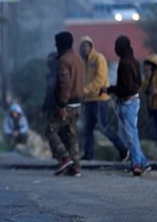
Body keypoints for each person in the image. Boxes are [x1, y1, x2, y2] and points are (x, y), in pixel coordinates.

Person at [100, 36, 149, 176]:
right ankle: (143, 161)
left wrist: (109, 90)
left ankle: (136, 164)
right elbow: (137, 83)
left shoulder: (125, 63)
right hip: (133, 101)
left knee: (130, 135)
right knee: (129, 134)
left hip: (127, 103)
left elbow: (125, 88)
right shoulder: (133, 61)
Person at [79, 36, 129, 161]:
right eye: (83, 46)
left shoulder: (98, 58)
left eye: (87, 45)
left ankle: (123, 149)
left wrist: (86, 89)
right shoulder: (83, 62)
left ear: (91, 46)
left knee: (104, 126)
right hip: (88, 100)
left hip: (100, 98)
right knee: (87, 128)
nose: (85, 48)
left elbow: (100, 79)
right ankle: (88, 154)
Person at [45, 31, 85, 177]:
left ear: (61, 44)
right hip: (78, 103)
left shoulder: (64, 61)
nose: (55, 46)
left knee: (50, 130)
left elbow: (65, 84)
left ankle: (64, 158)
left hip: (67, 103)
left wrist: (62, 105)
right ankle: (76, 166)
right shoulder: (78, 59)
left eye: (57, 43)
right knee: (72, 134)